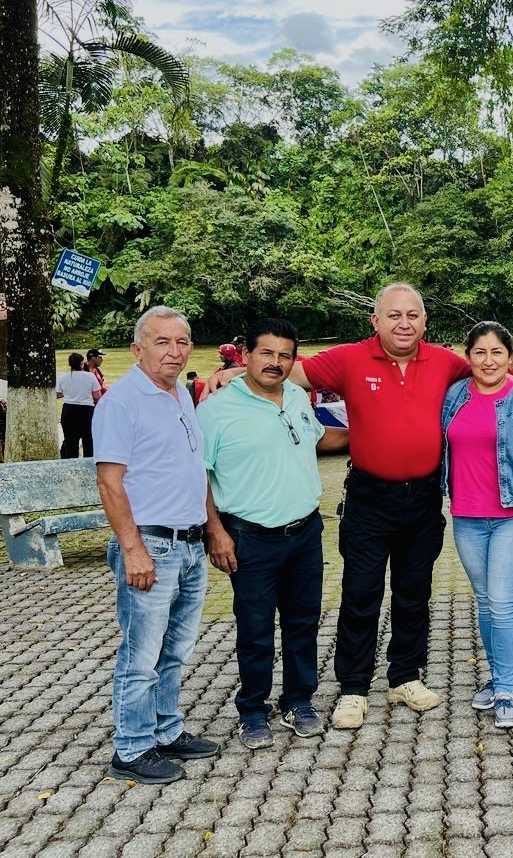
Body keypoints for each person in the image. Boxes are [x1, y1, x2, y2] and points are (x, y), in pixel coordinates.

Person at [208, 283, 470, 728]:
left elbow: (488, 375)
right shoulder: (350, 358)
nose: (403, 323)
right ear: (375, 321)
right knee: (361, 593)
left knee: (414, 592)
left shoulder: (445, 362)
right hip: (369, 499)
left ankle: (405, 676)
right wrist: (232, 373)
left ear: (425, 322)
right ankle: (354, 686)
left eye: (412, 315)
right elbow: (288, 371)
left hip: (423, 499)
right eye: (393, 315)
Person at [199, 318, 346, 749]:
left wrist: (370, 436)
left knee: (303, 623)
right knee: (256, 628)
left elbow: (317, 438)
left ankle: (298, 700)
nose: (275, 362)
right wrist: (215, 533)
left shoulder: (297, 397)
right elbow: (197, 476)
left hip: (305, 531)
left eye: (285, 355)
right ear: (246, 355)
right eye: (266, 353)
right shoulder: (215, 411)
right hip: (250, 537)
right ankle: (251, 709)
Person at [92, 306, 219, 784]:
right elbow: (109, 482)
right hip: (151, 544)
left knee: (175, 650)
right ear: (137, 348)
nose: (174, 351)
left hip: (189, 544)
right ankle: (131, 747)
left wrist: (211, 529)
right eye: (162, 342)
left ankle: (166, 730)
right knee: (140, 655)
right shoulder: (122, 402)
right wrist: (132, 549)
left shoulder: (181, 394)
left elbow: (193, 469)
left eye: (181, 342)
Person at [441, 322, 513, 729]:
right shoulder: (454, 396)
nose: (488, 361)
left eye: (496, 353)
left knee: (504, 601)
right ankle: (495, 675)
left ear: (511, 357)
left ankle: (506, 689)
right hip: (467, 517)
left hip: (512, 516)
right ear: (468, 356)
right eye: (480, 352)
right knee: (486, 600)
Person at [56, 351, 99, 457]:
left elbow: (58, 394)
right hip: (86, 410)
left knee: (70, 441)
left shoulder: (63, 377)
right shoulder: (90, 376)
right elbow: (97, 395)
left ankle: (71, 462)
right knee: (88, 439)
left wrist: (69, 393)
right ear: (81, 363)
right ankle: (89, 462)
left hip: (69, 409)